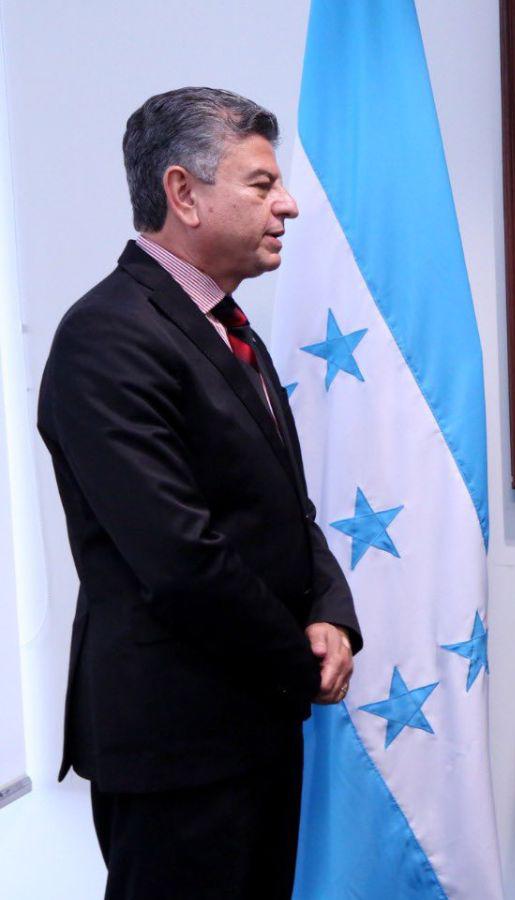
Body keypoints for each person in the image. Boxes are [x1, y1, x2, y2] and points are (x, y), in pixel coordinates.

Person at [37, 87, 361, 899]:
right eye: (260, 184)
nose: (286, 204)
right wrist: (298, 660)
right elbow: (180, 555)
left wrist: (330, 611)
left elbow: (286, 508)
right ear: (184, 193)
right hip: (177, 743)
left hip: (249, 725)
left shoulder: (230, 325)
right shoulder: (107, 336)